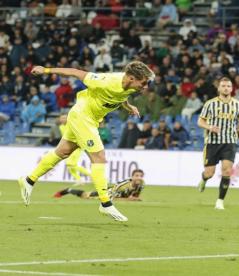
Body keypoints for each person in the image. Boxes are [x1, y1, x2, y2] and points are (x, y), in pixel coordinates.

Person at [18, 61, 154, 222]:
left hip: (87, 118)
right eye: (143, 82)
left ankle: (28, 180)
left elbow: (120, 96)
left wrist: (127, 106)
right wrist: (45, 70)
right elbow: (74, 72)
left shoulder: (129, 86)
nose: (145, 86)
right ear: (132, 78)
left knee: (62, 152)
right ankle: (105, 203)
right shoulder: (105, 81)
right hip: (83, 116)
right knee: (99, 158)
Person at [197, 77, 239, 210]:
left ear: (232, 88)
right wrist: (210, 127)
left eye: (228, 86)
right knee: (210, 173)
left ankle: (220, 201)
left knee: (227, 170)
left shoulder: (237, 104)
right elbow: (200, 121)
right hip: (213, 143)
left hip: (229, 142)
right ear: (219, 88)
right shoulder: (210, 104)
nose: (226, 88)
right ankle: (204, 179)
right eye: (223, 86)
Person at [54, 169, 145, 201]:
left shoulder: (141, 184)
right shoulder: (122, 186)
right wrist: (128, 200)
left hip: (115, 194)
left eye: (141, 176)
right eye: (136, 176)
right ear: (132, 177)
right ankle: (67, 190)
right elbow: (113, 198)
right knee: (85, 196)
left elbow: (135, 196)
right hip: (106, 194)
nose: (139, 178)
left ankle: (68, 190)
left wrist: (134, 198)